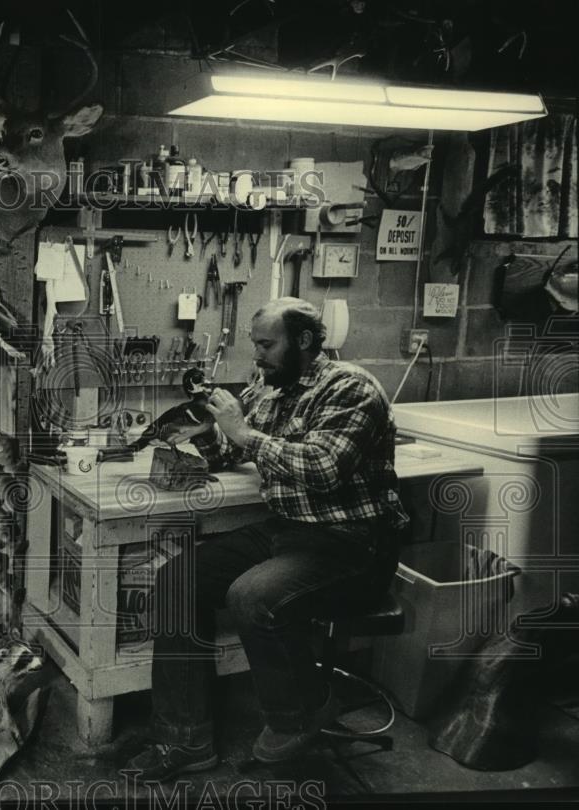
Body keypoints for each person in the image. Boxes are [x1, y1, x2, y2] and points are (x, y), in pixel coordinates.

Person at [125, 296, 410, 779]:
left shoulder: (351, 388)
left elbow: (323, 469)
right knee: (177, 579)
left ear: (302, 341)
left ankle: (302, 711)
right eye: (255, 344)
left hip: (352, 541)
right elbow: (230, 448)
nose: (256, 356)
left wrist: (243, 434)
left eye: (266, 344)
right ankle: (184, 741)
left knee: (253, 596)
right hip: (290, 530)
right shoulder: (269, 385)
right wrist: (196, 429)